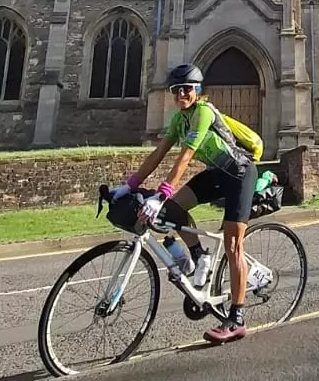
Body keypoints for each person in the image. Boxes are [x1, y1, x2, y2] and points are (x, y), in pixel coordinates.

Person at [110, 63, 261, 345]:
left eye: (187, 89)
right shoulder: (179, 120)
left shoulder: (203, 112)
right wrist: (129, 186)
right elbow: (157, 154)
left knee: (233, 246)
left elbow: (186, 156)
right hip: (217, 174)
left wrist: (161, 194)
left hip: (240, 174)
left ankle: (237, 319)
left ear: (197, 90)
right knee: (174, 211)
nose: (181, 95)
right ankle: (200, 255)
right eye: (176, 90)